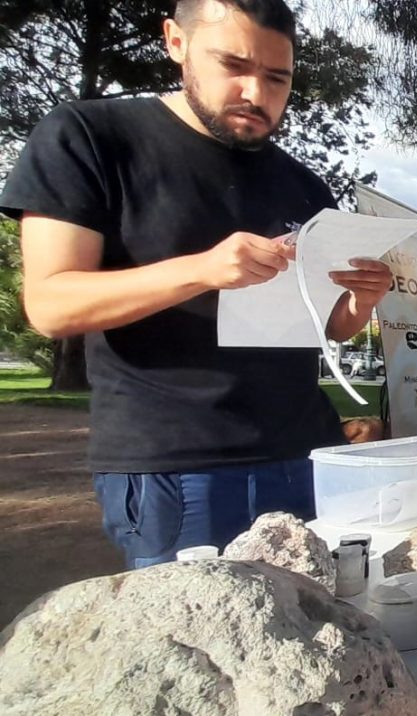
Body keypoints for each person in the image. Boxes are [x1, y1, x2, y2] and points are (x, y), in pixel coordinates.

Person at [0, 0, 394, 568]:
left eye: (277, 78)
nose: (255, 93)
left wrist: (359, 299)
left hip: (308, 451)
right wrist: (201, 270)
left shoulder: (304, 184)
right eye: (233, 65)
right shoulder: (91, 136)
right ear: (176, 42)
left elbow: (325, 326)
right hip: (180, 464)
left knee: (322, 620)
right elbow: (50, 304)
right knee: (200, 627)